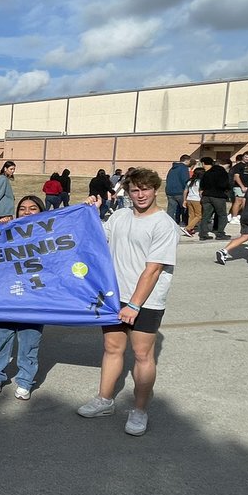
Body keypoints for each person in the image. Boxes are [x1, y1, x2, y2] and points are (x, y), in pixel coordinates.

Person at [78, 168, 177, 436]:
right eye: (135, 190)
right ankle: (105, 399)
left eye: (145, 189)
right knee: (112, 348)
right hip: (114, 295)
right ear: (128, 192)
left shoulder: (163, 224)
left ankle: (140, 410)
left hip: (146, 300)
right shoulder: (120, 216)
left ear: (155, 189)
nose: (140, 194)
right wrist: (93, 212)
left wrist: (134, 305)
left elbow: (153, 269)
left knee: (143, 355)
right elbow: (98, 238)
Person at [0, 196, 47, 400]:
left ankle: (25, 380)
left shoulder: (50, 235)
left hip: (35, 298)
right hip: (8, 295)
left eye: (32, 208)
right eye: (22, 208)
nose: (27, 212)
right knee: (2, 336)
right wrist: (0, 228)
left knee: (30, 340)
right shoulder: (7, 232)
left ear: (42, 211)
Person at [197, 157, 231, 240]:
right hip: (218, 196)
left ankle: (203, 234)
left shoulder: (207, 173)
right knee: (222, 215)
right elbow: (224, 185)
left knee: (206, 216)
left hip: (206, 195)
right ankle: (220, 233)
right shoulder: (223, 173)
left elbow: (202, 184)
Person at [165, 155, 191, 225]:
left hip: (170, 191)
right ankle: (185, 223)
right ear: (187, 160)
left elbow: (167, 179)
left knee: (171, 209)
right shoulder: (184, 168)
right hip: (180, 191)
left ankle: (169, 223)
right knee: (184, 208)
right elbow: (185, 180)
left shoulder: (172, 169)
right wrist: (187, 190)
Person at [230, 152, 248, 218]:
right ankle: (234, 217)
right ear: (243, 157)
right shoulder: (238, 166)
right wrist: (242, 186)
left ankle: (241, 215)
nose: (247, 158)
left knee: (245, 201)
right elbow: (236, 176)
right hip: (239, 186)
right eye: (246, 157)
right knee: (238, 201)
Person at [182, 166, 203, 236]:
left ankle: (191, 229)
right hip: (197, 199)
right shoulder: (200, 182)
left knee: (191, 215)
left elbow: (185, 191)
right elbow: (200, 192)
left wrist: (184, 200)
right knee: (199, 215)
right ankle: (188, 228)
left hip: (189, 198)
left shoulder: (190, 181)